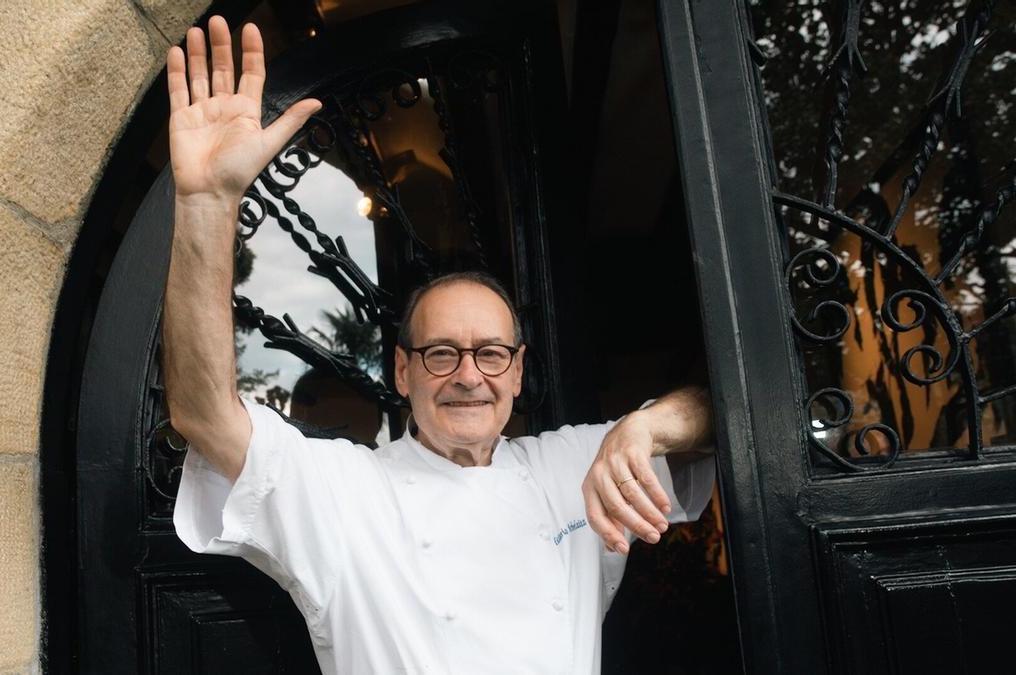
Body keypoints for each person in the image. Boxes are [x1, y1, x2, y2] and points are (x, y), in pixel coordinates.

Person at [162, 16, 717, 675]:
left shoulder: (571, 465)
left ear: (516, 371)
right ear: (402, 370)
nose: (468, 375)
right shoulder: (345, 493)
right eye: (441, 352)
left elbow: (726, 413)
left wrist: (646, 427)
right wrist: (207, 202)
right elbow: (202, 414)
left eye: (489, 353)